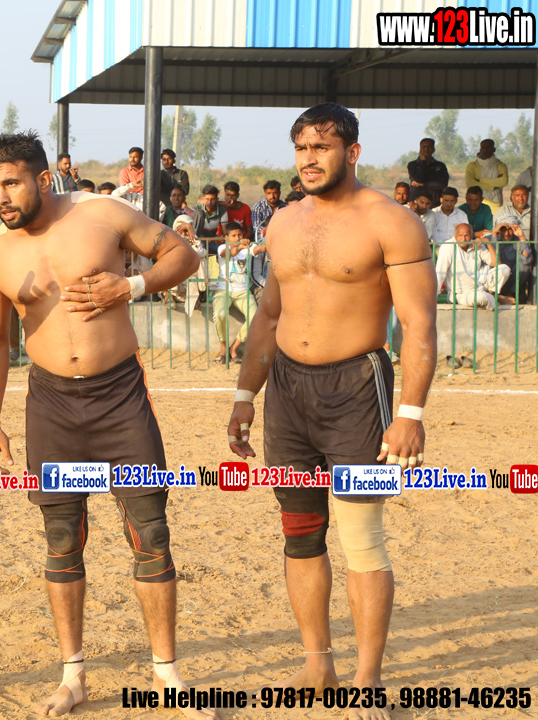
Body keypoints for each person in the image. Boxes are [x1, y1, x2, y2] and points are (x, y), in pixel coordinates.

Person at [0, 131, 208, 719]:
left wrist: (132, 285)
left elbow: (184, 255)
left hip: (120, 397)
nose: (1, 196)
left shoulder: (103, 214)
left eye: (11, 183)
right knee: (61, 537)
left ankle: (166, 673)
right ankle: (72, 676)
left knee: (151, 533)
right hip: (51, 404)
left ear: (43, 179)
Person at [227, 103, 436, 720]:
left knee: (360, 536)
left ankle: (367, 678)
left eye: (322, 147)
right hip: (288, 390)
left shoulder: (391, 222)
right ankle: (318, 663)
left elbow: (419, 326)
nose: (309, 159)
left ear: (353, 152)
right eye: (301, 149)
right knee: (299, 532)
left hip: (357, 388)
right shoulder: (284, 222)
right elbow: (268, 315)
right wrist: (244, 396)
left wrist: (410, 412)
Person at [211, 222, 262, 364]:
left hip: (243, 292)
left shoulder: (247, 247)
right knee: (220, 315)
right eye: (233, 235)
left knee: (255, 317)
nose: (237, 238)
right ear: (226, 237)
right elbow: (228, 254)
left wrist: (267, 245)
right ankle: (223, 349)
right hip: (223, 290)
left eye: (239, 235)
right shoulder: (222, 247)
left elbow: (259, 249)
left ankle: (233, 348)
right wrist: (239, 247)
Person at [435, 222, 512, 308]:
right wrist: (433, 297)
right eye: (460, 235)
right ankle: (495, 298)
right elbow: (440, 272)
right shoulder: (448, 246)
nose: (463, 239)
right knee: (482, 298)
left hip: (481, 286)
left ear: (471, 236)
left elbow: (497, 264)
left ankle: (491, 295)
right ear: (455, 235)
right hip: (461, 293)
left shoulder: (475, 244)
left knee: (505, 269)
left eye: (466, 235)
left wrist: (488, 243)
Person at [464, 139, 509, 211]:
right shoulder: (472, 166)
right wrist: (493, 187)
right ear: (480, 149)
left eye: (488, 148)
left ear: (494, 149)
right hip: (477, 203)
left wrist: (480, 180)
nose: (485, 150)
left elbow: (503, 182)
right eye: (483, 148)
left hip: (496, 202)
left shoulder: (500, 165)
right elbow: (470, 184)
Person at [407, 138, 449, 203]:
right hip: (416, 202)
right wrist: (422, 162)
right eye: (424, 147)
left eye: (429, 147)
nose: (426, 149)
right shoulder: (413, 165)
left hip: (434, 202)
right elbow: (419, 179)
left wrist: (422, 184)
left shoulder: (440, 166)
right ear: (420, 149)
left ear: (433, 150)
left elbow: (442, 184)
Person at [196, 185, 228, 254]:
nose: (209, 202)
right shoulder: (196, 209)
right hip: (198, 241)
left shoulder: (222, 211)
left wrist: (221, 238)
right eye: (207, 199)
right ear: (203, 199)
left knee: (225, 248)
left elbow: (225, 232)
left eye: (212, 199)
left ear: (217, 199)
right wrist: (211, 240)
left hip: (213, 241)